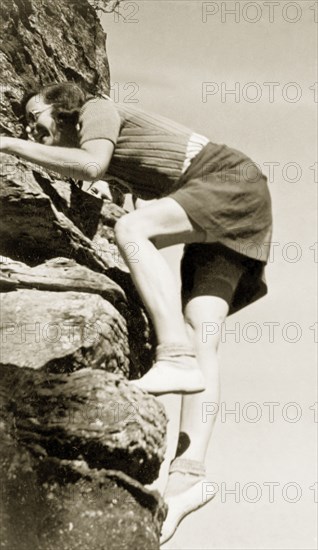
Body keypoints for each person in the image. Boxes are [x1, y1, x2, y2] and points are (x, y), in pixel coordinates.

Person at [0, 82, 272, 543]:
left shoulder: (96, 109)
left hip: (225, 179)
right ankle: (190, 475)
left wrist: (7, 143)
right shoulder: (103, 134)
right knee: (202, 332)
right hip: (245, 196)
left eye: (36, 114)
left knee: (132, 229)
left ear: (63, 107)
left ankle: (173, 356)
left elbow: (91, 164)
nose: (30, 126)